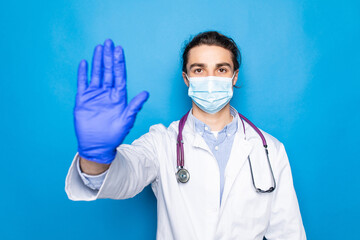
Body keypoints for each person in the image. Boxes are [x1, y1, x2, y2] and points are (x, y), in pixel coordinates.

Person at [65, 31, 306, 239]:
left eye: (221, 69)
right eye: (199, 69)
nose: (210, 79)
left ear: (234, 77)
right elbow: (126, 175)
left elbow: (288, 234)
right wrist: (96, 157)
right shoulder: (162, 142)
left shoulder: (269, 149)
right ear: (186, 78)